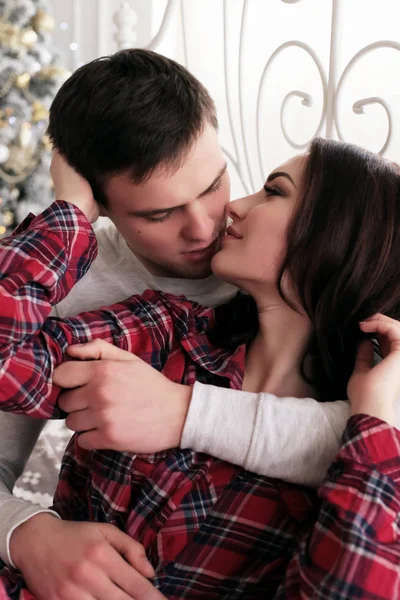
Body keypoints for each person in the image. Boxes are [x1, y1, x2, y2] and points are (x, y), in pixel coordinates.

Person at [0, 49, 351, 600]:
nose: (210, 225)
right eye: (159, 214)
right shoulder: (65, 285)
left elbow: (373, 442)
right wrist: (29, 534)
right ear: (103, 205)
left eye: (214, 184)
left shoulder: (291, 263)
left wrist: (183, 412)